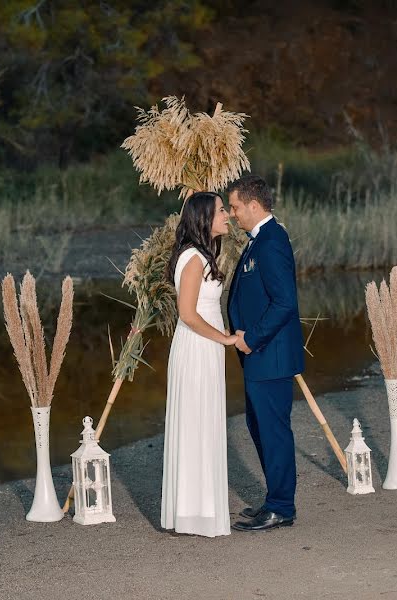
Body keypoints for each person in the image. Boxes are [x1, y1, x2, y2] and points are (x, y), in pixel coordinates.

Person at [226, 175, 305, 532]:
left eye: (235, 207)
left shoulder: (272, 240)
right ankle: (275, 500)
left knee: (273, 431)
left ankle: (281, 507)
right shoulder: (257, 241)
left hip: (268, 354)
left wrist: (251, 338)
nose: (232, 214)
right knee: (259, 427)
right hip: (259, 355)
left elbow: (285, 302)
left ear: (254, 206)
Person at [160, 191, 235, 537]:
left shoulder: (204, 255)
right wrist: (224, 338)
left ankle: (201, 509)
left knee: (204, 422)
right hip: (197, 348)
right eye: (222, 211)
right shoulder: (193, 259)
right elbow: (188, 314)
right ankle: (195, 512)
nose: (228, 215)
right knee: (196, 424)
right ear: (205, 218)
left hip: (205, 348)